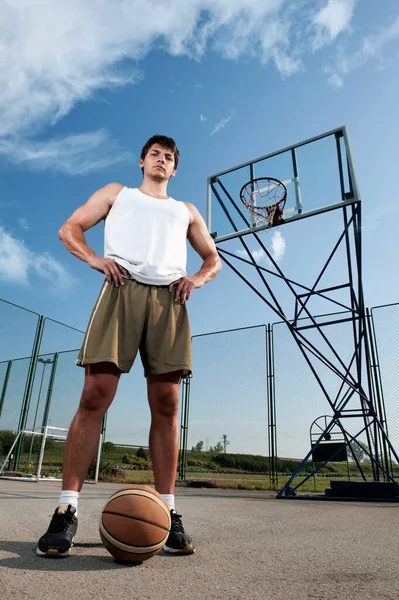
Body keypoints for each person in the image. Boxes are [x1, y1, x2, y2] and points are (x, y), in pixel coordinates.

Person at [36, 134, 222, 558]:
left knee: (167, 403)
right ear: (142, 161)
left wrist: (195, 278)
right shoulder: (116, 193)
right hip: (121, 289)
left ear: (174, 170)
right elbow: (70, 228)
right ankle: (66, 510)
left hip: (169, 300)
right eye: (155, 154)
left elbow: (213, 259)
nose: (161, 160)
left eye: (169, 157)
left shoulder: (184, 210)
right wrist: (95, 259)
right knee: (94, 395)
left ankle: (169, 512)